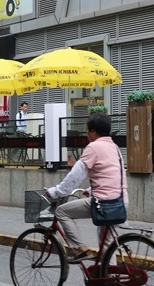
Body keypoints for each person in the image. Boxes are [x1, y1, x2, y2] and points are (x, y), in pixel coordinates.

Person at [44, 113, 127, 263]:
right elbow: (112, 174)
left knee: (61, 211)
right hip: (120, 201)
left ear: (94, 131)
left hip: (105, 204)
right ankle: (109, 279)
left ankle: (79, 249)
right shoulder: (114, 147)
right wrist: (90, 190)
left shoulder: (94, 147)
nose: (87, 134)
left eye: (87, 131)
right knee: (107, 244)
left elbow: (75, 176)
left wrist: (56, 192)